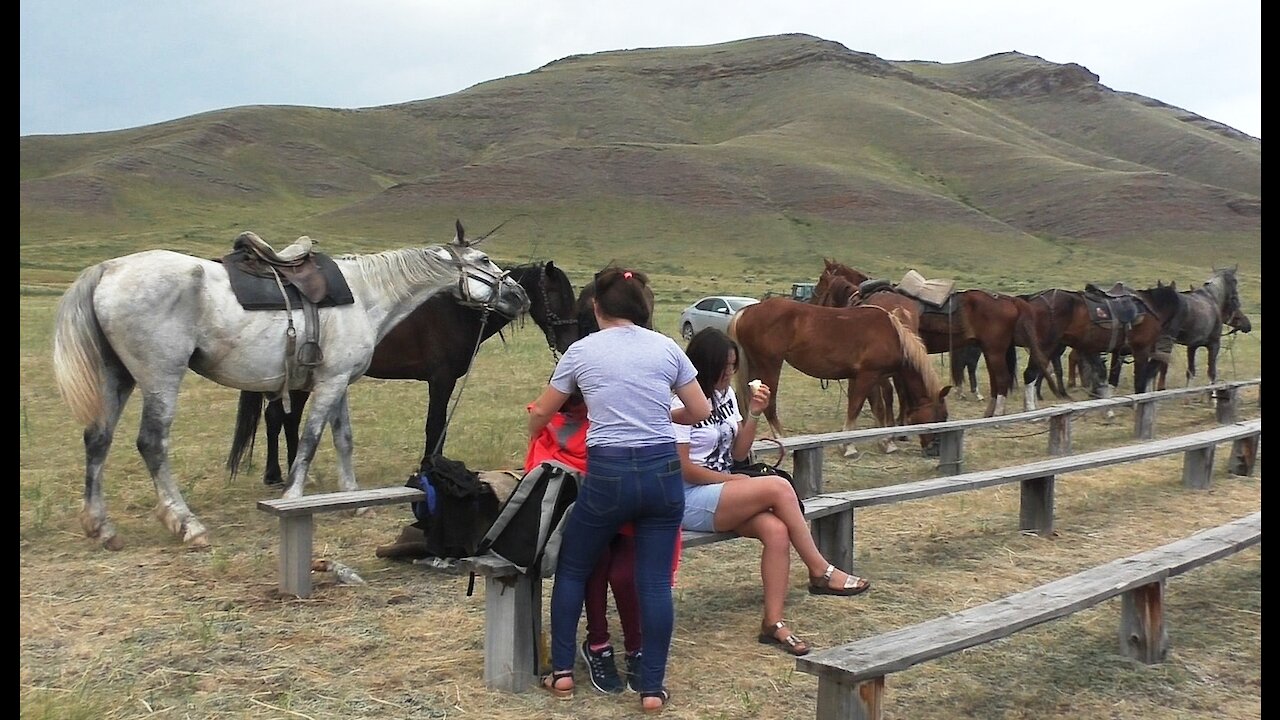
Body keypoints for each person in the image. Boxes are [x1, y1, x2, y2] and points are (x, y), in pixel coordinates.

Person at [528, 267, 711, 713]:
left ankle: (565, 672)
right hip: (662, 471)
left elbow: (542, 413)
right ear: (643, 307)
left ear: (595, 307)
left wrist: (535, 426)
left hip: (607, 472)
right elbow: (700, 408)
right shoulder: (667, 348)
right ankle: (651, 687)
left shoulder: (580, 352)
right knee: (653, 582)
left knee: (573, 568)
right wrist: (666, 418)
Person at [672, 328, 871, 657]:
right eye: (723, 367)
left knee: (776, 531)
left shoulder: (726, 396)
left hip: (724, 490)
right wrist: (732, 483)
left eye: (733, 365)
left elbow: (738, 455)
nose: (729, 373)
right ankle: (821, 570)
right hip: (689, 496)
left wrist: (753, 414)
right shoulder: (682, 401)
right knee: (778, 486)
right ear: (703, 367)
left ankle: (773, 623)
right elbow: (683, 468)